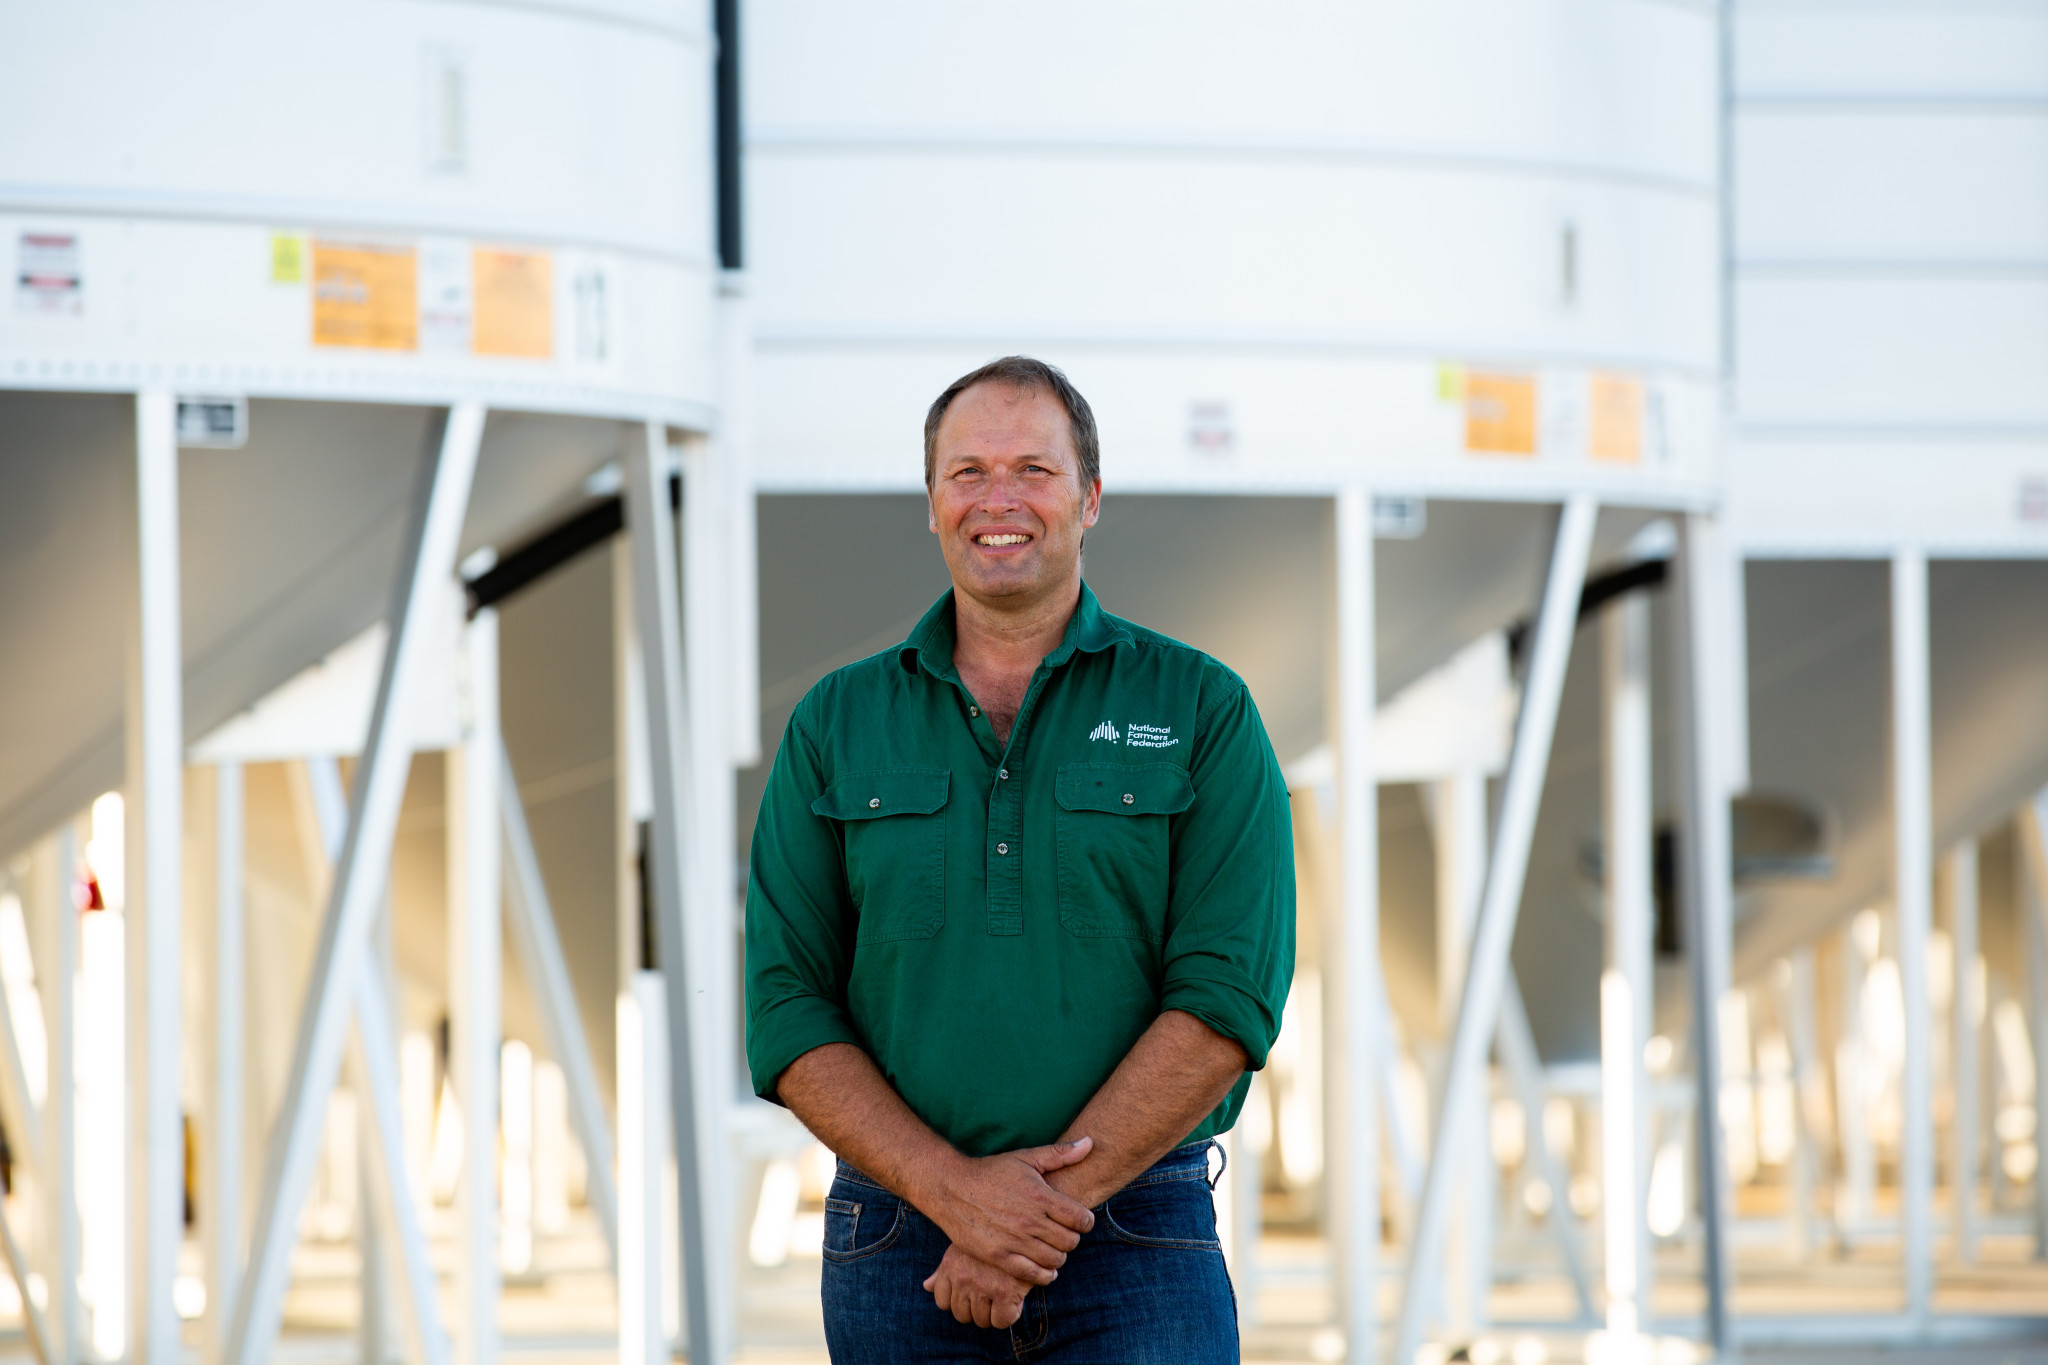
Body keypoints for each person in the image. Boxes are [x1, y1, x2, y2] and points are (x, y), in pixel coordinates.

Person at [744, 356, 1295, 1363]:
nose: (998, 499)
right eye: (968, 472)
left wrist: (1020, 1222)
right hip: (897, 1241)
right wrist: (955, 1195)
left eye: (1033, 470)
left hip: (1137, 1241)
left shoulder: (1201, 707)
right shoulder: (835, 721)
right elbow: (786, 1005)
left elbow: (1228, 999)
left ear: (1090, 497)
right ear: (931, 503)